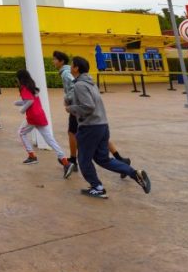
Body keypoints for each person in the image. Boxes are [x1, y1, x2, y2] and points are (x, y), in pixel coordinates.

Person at [65, 56, 151, 199]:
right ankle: (135, 173)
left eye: (72, 65)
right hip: (102, 125)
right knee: (103, 159)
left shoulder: (80, 85)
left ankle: (97, 187)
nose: (70, 68)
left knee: (84, 160)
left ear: (76, 68)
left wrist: (71, 108)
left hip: (90, 127)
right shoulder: (91, 83)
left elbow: (88, 106)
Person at [55, 50, 131, 180]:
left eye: (55, 59)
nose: (53, 61)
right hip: (85, 111)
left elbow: (75, 88)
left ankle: (74, 160)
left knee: (72, 132)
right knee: (98, 135)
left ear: (62, 61)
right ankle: (120, 159)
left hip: (78, 107)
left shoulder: (66, 74)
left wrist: (69, 101)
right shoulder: (69, 72)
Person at [13, 69, 70, 170]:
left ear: (20, 78)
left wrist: (22, 109)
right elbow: (29, 100)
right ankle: (65, 161)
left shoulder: (24, 88)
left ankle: (32, 156)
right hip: (40, 115)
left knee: (21, 133)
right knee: (49, 139)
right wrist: (18, 103)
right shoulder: (32, 87)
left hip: (32, 117)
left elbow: (29, 101)